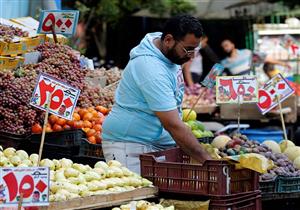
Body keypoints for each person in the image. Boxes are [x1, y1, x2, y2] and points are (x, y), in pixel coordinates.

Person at [102, 15, 211, 174]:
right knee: (139, 196)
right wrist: (208, 161)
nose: (192, 56)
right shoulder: (150, 68)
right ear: (168, 40)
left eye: (195, 49)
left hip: (156, 145)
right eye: (188, 49)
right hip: (130, 147)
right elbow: (172, 124)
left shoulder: (169, 54)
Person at [221, 39, 290, 76]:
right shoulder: (224, 62)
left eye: (226, 45)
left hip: (252, 85)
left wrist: (282, 63)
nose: (225, 48)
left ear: (233, 45)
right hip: (237, 89)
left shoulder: (245, 53)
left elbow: (265, 58)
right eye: (223, 47)